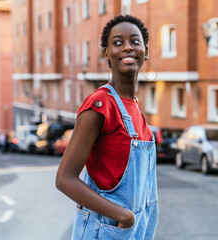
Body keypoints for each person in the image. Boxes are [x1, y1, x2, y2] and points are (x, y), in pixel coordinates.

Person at [56, 15, 158, 240]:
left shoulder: (135, 107)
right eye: (118, 42)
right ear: (107, 54)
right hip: (105, 232)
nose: (128, 47)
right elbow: (65, 178)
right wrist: (123, 216)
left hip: (135, 232)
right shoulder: (100, 104)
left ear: (146, 51)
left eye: (135, 41)